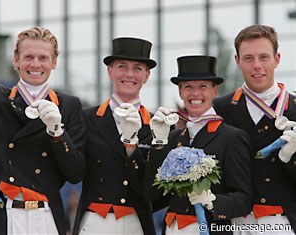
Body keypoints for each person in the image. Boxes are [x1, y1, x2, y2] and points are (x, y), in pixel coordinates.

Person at [0, 26, 86, 235]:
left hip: (46, 214)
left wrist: (58, 133)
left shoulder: (69, 105)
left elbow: (75, 173)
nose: (35, 64)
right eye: (28, 56)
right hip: (4, 213)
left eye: (43, 57)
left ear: (54, 62)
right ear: (16, 60)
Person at [144, 55, 254, 234]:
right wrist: (158, 144)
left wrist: (212, 201)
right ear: (180, 92)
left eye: (203, 86)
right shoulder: (172, 137)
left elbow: (244, 199)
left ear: (214, 90)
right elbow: (152, 195)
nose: (195, 94)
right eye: (188, 87)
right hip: (173, 229)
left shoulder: (232, 137)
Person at [213, 24, 296, 234]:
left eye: (264, 57)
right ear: (237, 61)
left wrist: (291, 158)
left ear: (277, 59)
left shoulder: (294, 107)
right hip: (233, 223)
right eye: (248, 58)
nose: (256, 65)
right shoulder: (220, 108)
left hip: (282, 222)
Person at [73, 37, 157, 235]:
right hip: (95, 220)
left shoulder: (158, 126)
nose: (129, 74)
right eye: (122, 66)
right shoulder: (87, 118)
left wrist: (132, 150)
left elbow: (155, 190)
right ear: (110, 71)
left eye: (137, 68)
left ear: (147, 75)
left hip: (137, 222)